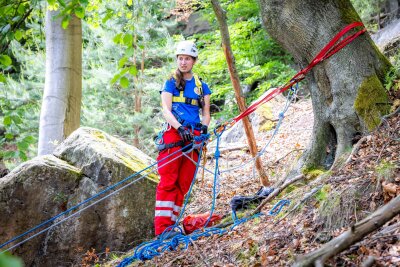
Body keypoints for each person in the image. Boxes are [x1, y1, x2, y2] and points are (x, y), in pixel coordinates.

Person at [154, 40, 211, 237]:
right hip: (173, 133)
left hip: (194, 136)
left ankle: (172, 225)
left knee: (184, 182)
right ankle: (162, 230)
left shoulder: (201, 86)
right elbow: (165, 110)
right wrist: (179, 127)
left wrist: (203, 129)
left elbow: (206, 113)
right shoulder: (170, 82)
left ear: (193, 60)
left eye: (187, 58)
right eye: (180, 58)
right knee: (169, 179)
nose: (183, 62)